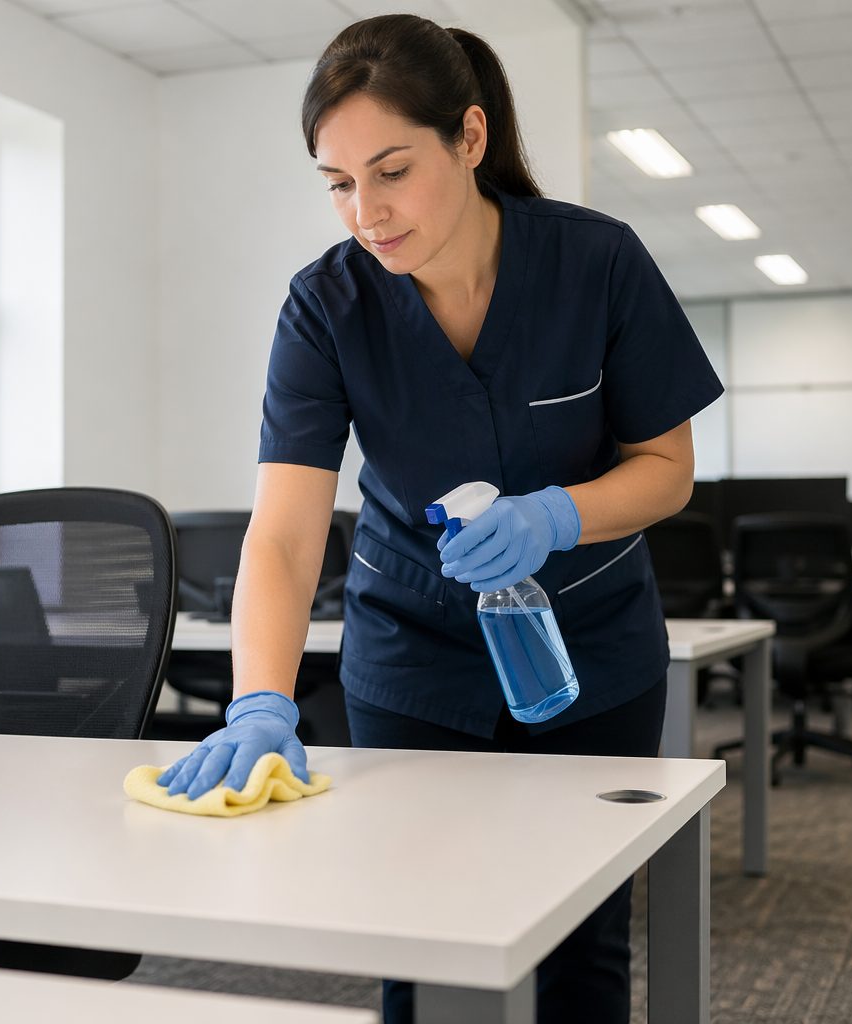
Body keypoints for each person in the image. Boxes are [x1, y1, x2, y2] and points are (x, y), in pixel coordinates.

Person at [157, 13, 723, 1023]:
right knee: (418, 934)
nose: (367, 212)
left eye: (391, 170)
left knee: (580, 941)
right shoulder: (326, 307)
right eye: (338, 183)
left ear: (468, 138)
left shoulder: (596, 263)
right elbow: (285, 535)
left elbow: (668, 471)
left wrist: (559, 514)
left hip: (589, 642)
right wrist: (259, 697)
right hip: (412, 645)